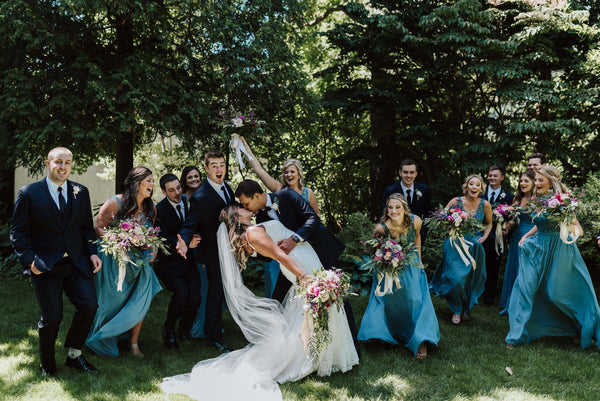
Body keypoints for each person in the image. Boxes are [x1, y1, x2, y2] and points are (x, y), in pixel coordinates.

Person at [162, 205, 358, 400]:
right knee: (305, 312)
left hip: (295, 267)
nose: (245, 207)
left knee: (304, 312)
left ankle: (317, 355)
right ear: (236, 216)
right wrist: (303, 276)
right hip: (297, 269)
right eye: (240, 207)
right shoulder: (253, 233)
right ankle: (309, 356)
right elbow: (280, 254)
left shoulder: (250, 232)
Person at [10, 147, 102, 376]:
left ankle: (74, 355)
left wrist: (92, 252)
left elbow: (85, 228)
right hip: (45, 266)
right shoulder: (29, 193)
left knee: (90, 306)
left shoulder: (81, 191)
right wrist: (30, 262)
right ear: (48, 163)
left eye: (68, 163)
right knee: (52, 318)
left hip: (76, 263)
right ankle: (47, 365)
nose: (63, 167)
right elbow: (18, 233)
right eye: (58, 162)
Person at [506, 166, 600, 348]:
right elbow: (540, 221)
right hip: (537, 248)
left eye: (541, 180)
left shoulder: (563, 200)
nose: (537, 183)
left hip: (559, 249)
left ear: (551, 180)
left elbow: (577, 228)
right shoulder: (538, 199)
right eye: (536, 180)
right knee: (525, 288)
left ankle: (580, 327)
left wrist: (567, 229)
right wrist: (526, 236)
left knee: (555, 293)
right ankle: (516, 335)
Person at [85, 166, 162, 357]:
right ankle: (101, 337)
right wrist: (121, 242)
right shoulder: (115, 203)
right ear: (136, 183)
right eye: (149, 180)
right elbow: (98, 228)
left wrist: (151, 249)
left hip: (140, 263)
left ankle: (133, 343)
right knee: (110, 303)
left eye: (153, 181)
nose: (152, 184)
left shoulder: (151, 208)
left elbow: (150, 235)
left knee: (141, 299)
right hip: (114, 262)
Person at [358, 194, 440, 359]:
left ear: (404, 208)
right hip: (389, 268)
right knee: (389, 300)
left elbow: (417, 239)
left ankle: (421, 338)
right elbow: (374, 249)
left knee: (415, 299)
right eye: (390, 207)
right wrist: (383, 258)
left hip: (412, 264)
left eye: (397, 207)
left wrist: (420, 261)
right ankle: (389, 332)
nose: (393, 210)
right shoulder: (381, 228)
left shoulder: (416, 221)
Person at [239, 136, 320, 297]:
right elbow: (258, 169)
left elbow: (316, 217)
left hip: (308, 243)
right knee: (284, 295)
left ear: (299, 173)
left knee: (324, 289)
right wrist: (244, 147)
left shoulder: (306, 192)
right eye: (286, 172)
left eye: (292, 171)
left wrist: (298, 238)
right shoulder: (279, 190)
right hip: (287, 253)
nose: (289, 174)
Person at [178, 151, 235, 352]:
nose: (219, 169)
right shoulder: (200, 196)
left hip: (229, 249)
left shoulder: (227, 187)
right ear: (206, 169)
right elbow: (190, 223)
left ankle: (216, 330)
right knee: (215, 292)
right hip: (212, 252)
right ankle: (213, 337)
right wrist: (184, 241)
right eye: (214, 166)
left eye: (222, 165)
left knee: (223, 291)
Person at [429, 174, 492, 324]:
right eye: (472, 184)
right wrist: (450, 225)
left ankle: (464, 308)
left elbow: (489, 224)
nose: (474, 187)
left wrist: (483, 237)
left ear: (481, 188)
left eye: (478, 185)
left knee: (469, 281)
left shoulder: (485, 204)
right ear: (466, 186)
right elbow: (441, 218)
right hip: (455, 244)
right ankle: (456, 310)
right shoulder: (456, 201)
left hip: (474, 245)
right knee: (456, 279)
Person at [155, 174, 202, 349]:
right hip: (169, 264)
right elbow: (160, 237)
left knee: (195, 296)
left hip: (189, 261)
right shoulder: (158, 210)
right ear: (163, 191)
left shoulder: (189, 202)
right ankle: (169, 332)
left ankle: (184, 330)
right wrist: (182, 243)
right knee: (181, 293)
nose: (177, 192)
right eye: (172, 190)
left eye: (178, 188)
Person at [499, 170, 535, 312]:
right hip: (517, 238)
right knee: (516, 268)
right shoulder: (517, 199)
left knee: (526, 271)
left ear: (534, 182)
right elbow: (514, 220)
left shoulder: (539, 200)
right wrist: (506, 225)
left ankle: (525, 305)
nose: (522, 184)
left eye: (526, 181)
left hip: (531, 238)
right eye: (521, 181)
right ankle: (512, 303)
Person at [179, 165, 209, 339]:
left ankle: (204, 322)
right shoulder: (182, 198)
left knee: (205, 286)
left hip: (203, 243)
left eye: (196, 176)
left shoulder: (205, 195)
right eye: (190, 177)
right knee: (192, 290)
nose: (194, 180)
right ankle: (187, 326)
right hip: (188, 246)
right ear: (185, 179)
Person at [379, 159, 433, 244]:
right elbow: (383, 215)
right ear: (400, 173)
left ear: (416, 173)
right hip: (395, 239)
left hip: (418, 237)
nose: (408, 175)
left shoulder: (424, 190)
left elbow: (429, 214)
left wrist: (421, 232)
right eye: (405, 172)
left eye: (412, 172)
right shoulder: (390, 191)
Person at [481, 165, 514, 305]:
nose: (492, 178)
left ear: (502, 177)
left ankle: (489, 296)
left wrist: (506, 232)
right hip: (480, 234)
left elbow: (512, 217)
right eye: (490, 175)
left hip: (498, 236)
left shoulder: (509, 197)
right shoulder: (479, 193)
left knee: (494, 267)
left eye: (495, 175)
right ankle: (476, 293)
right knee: (478, 264)